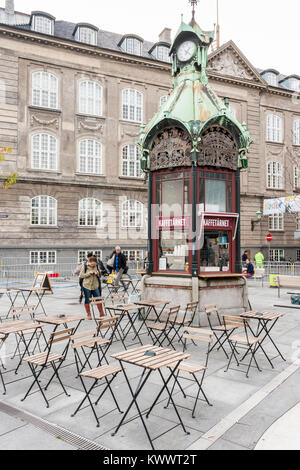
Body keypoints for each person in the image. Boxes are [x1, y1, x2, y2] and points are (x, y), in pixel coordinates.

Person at [79, 255, 107, 320]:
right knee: (87, 300)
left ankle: (101, 313)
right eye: (91, 264)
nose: (92, 265)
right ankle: (89, 314)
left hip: (95, 285)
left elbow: (100, 275)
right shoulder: (85, 266)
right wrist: (89, 273)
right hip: (87, 285)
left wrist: (97, 273)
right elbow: (81, 275)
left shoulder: (96, 266)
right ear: (89, 262)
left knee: (99, 299)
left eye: (94, 264)